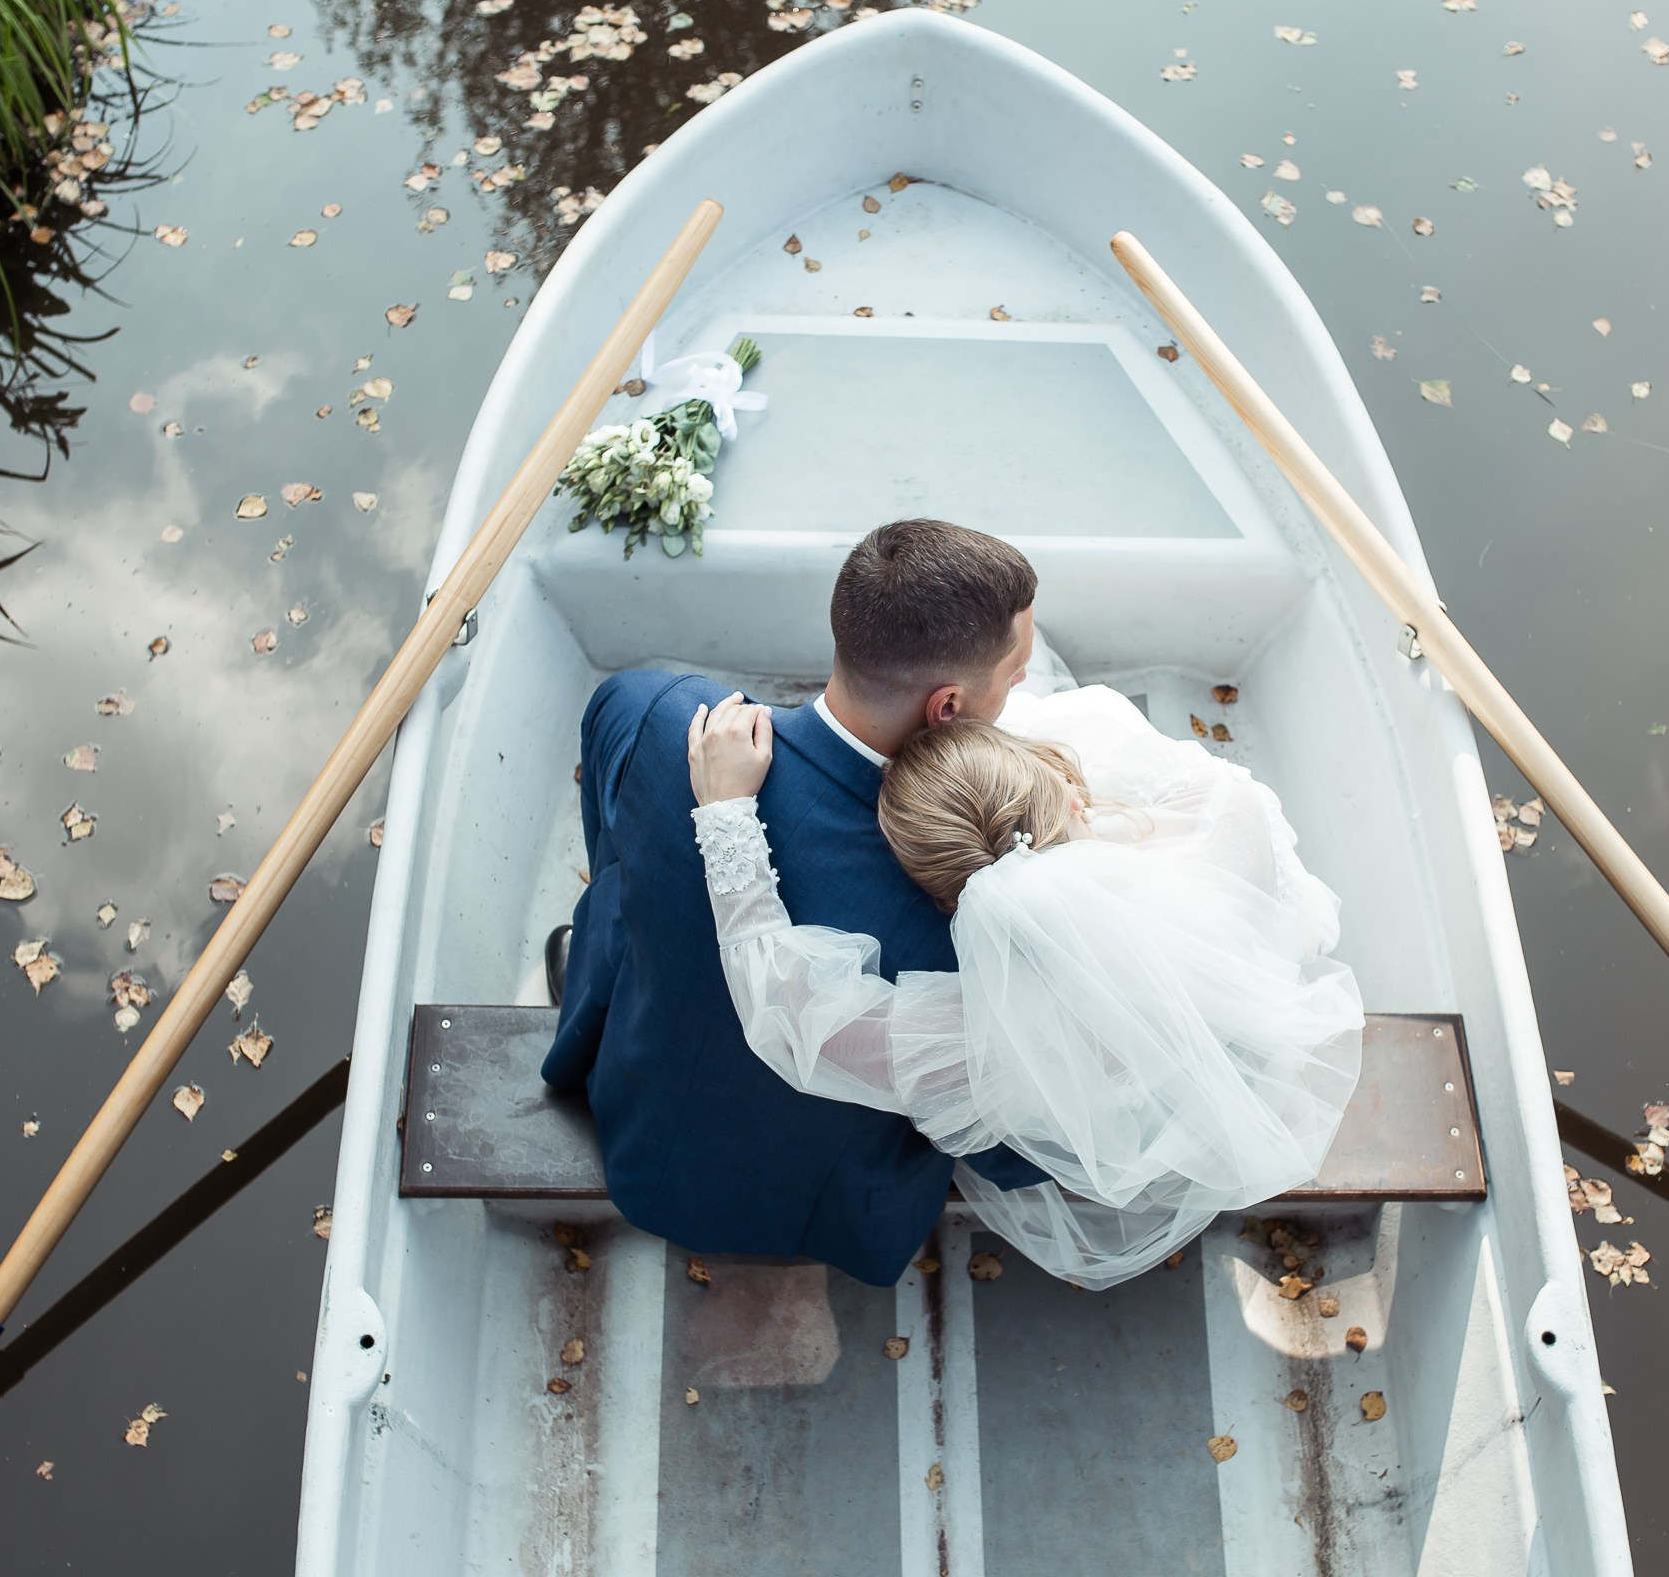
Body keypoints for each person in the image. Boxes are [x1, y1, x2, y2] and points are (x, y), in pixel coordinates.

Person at [684, 681, 1367, 1289]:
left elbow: (786, 1011)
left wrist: (725, 810)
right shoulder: (1221, 810)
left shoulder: (975, 1034)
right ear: (1070, 791)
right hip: (1231, 1074)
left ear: (951, 900)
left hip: (1095, 1122)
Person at [544, 519, 1051, 1287]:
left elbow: (610, 855)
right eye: (1014, 671)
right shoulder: (973, 913)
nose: (1022, 681)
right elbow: (1004, 1145)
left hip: (637, 1112)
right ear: (947, 706)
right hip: (825, 1202)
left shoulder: (654, 713)